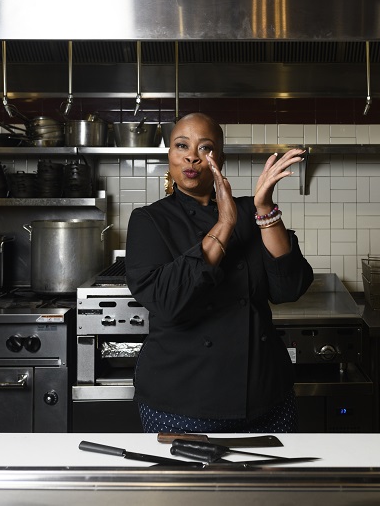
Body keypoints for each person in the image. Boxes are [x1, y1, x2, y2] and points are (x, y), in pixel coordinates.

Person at [125, 112, 313, 433]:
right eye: (181, 145)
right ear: (169, 155)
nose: (191, 155)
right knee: (191, 485)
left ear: (219, 159)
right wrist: (224, 224)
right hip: (183, 399)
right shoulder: (150, 220)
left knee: (270, 485)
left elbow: (288, 288)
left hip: (266, 394)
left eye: (205, 148)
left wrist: (265, 208)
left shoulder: (250, 211)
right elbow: (169, 301)